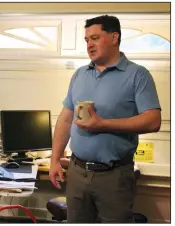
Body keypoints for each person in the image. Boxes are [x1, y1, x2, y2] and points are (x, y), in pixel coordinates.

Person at [49, 15, 161, 223]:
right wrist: (55, 159)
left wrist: (102, 124)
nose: (89, 45)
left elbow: (153, 121)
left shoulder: (137, 75)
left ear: (114, 37)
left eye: (95, 38)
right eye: (86, 40)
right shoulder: (80, 74)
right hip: (76, 172)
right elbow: (66, 119)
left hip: (114, 176)